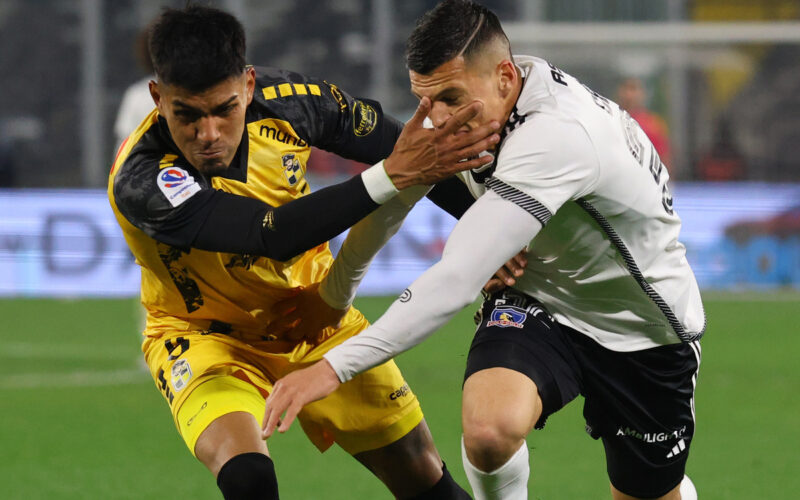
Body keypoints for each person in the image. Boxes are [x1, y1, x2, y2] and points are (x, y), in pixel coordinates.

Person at [261, 2, 706, 499]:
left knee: (648, 493)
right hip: (539, 296)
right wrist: (333, 296)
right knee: (489, 431)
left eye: (451, 98)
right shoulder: (472, 105)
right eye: (426, 102)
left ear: (504, 76)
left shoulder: (559, 134)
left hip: (641, 326)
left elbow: (456, 277)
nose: (440, 119)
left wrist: (331, 368)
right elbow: (396, 197)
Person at [108, 6, 503, 499]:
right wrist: (391, 175)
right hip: (204, 336)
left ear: (248, 86)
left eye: (224, 110)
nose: (208, 135)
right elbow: (268, 234)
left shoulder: (292, 103)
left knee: (423, 476)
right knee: (248, 476)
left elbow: (409, 149)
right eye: (187, 114)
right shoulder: (143, 179)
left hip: (313, 315)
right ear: (156, 97)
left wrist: (494, 234)